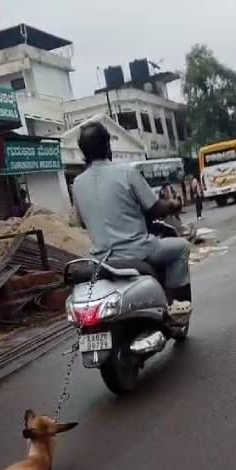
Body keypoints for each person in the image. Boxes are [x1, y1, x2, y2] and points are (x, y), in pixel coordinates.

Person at [70, 122, 191, 322]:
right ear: (108, 145)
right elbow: (155, 208)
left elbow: (82, 223)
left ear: (84, 152)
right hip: (138, 250)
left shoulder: (78, 184)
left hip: (101, 258)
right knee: (181, 248)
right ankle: (176, 307)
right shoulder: (126, 172)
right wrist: (173, 204)